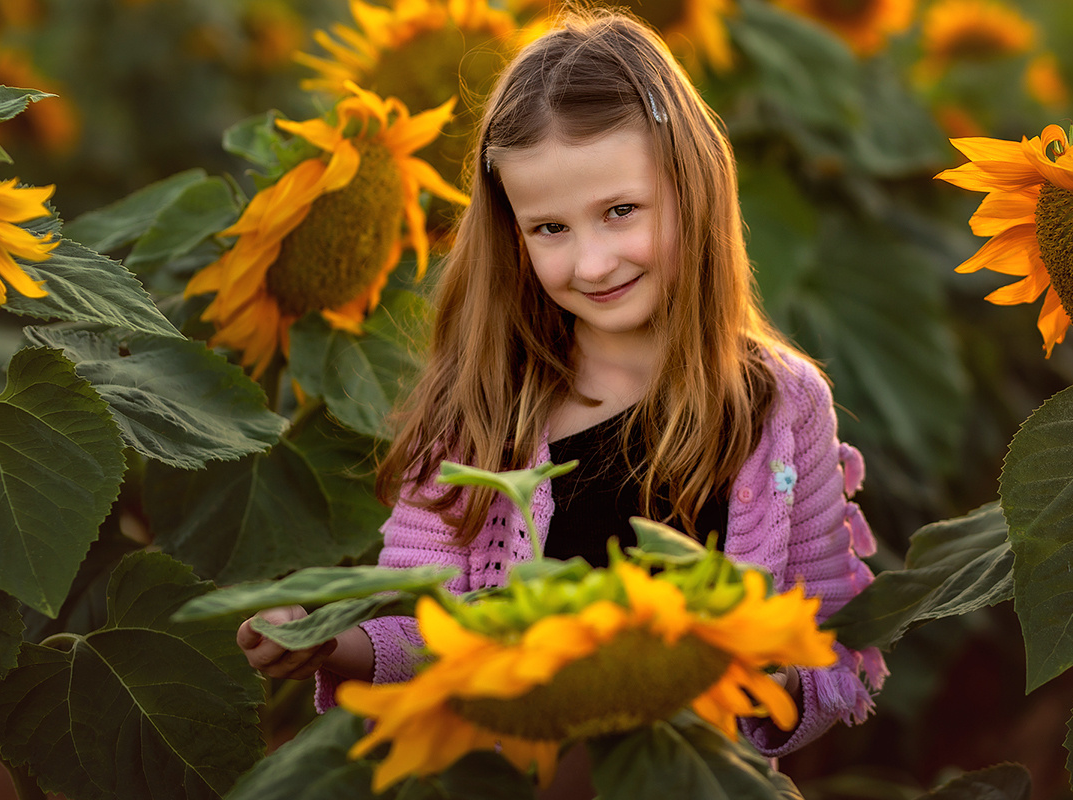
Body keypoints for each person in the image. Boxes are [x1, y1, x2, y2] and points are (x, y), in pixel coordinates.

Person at [238, 4, 886, 781]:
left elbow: (832, 644)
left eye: (620, 212)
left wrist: (770, 683)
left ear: (693, 187)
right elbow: (429, 633)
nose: (593, 261)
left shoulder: (783, 407)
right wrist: (329, 641)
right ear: (512, 232)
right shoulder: (480, 410)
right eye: (550, 228)